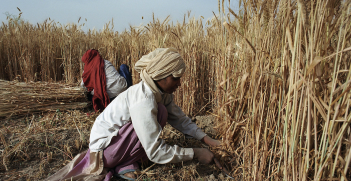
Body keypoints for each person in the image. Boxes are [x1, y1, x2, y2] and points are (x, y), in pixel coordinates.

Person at [46, 48, 221, 181]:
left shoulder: (159, 93)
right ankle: (120, 163)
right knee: (159, 113)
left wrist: (206, 139)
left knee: (162, 111)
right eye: (176, 78)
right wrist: (195, 153)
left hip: (116, 146)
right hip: (105, 153)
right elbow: (156, 152)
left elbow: (179, 118)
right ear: (161, 76)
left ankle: (124, 162)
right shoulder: (143, 99)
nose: (180, 83)